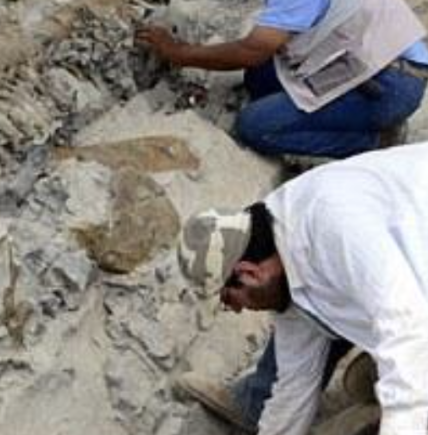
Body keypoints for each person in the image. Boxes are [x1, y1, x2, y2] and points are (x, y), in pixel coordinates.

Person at [137, 0, 427, 159]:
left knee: (255, 127)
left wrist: (180, 53)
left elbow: (251, 51)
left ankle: (372, 141)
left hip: (390, 84)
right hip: (377, 63)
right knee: (260, 77)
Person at [177, 143, 428, 435]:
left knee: (407, 389)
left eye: (230, 299)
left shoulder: (333, 227)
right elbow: (293, 390)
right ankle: (380, 380)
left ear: (248, 273)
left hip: (416, 307)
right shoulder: (286, 256)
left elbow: (410, 326)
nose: (236, 308)